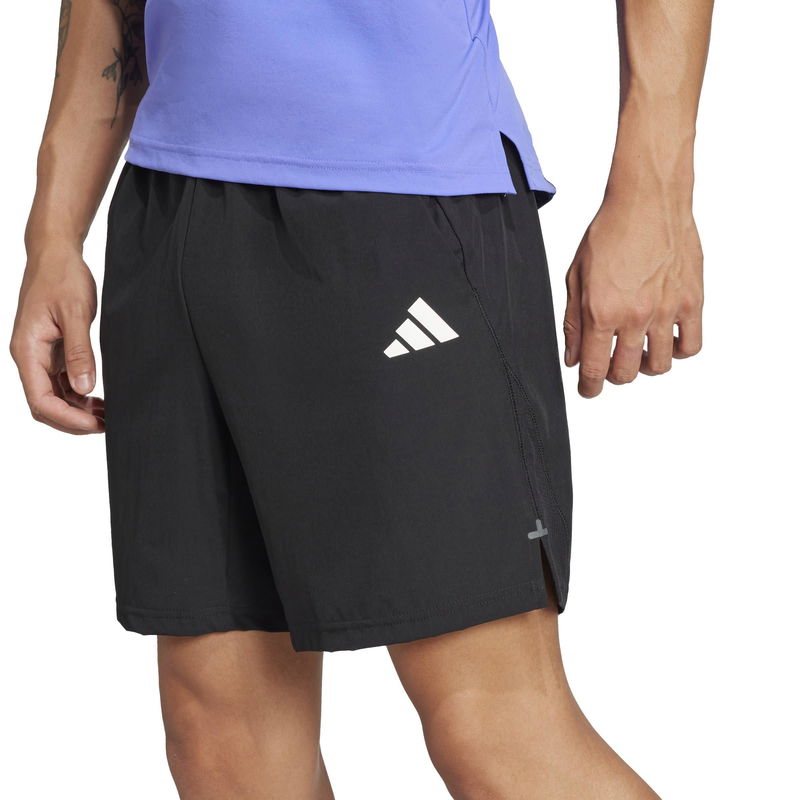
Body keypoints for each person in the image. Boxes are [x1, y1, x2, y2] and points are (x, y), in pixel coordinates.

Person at [10, 1, 711, 798]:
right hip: (174, 205)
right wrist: (53, 232)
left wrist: (656, 195)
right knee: (222, 740)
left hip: (404, 192)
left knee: (495, 733)